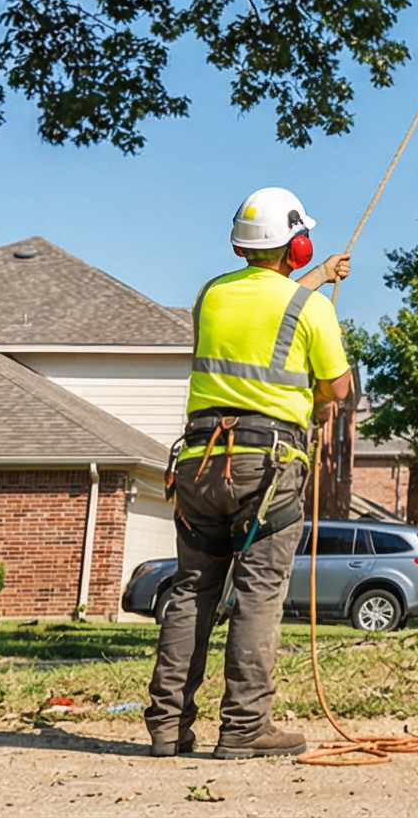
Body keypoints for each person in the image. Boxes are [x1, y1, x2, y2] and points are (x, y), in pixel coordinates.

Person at [145, 186, 355, 759]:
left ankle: (167, 728)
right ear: (299, 246)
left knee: (191, 592)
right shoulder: (309, 308)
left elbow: (266, 309)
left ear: (243, 246)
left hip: (199, 462)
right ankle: (243, 729)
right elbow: (335, 387)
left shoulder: (210, 295)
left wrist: (311, 281)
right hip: (268, 468)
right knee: (259, 595)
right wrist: (321, 394)